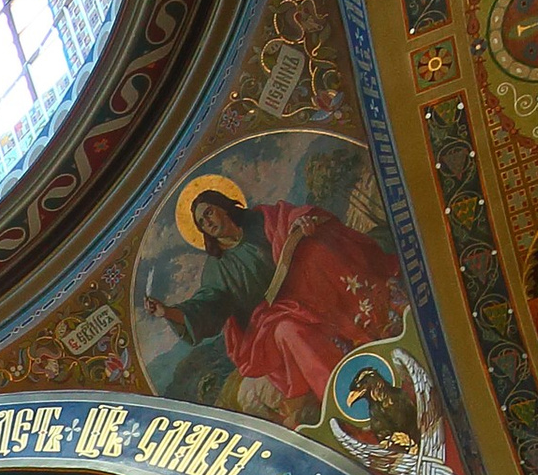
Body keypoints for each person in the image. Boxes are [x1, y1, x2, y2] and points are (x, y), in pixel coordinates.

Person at [148, 173, 406, 422]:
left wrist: (301, 223)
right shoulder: (217, 269)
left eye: (209, 213)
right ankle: (342, 397)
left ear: (223, 207)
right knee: (287, 331)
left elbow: (290, 218)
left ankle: (376, 318)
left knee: (315, 251)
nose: (208, 222)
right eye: (201, 223)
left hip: (302, 289)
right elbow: (205, 306)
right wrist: (168, 312)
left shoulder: (260, 220)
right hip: (269, 321)